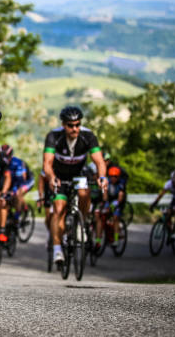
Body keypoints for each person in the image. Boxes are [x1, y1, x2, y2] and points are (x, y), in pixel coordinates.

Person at [42, 106, 107, 266]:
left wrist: (102, 177)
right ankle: (57, 249)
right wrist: (51, 177)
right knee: (58, 209)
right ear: (64, 125)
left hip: (79, 174)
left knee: (84, 193)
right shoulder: (53, 136)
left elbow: (99, 161)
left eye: (77, 125)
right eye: (71, 125)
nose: (75, 129)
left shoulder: (88, 136)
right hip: (60, 176)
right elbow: (47, 163)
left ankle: (81, 224)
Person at [150, 169, 175, 241]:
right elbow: (161, 195)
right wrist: (154, 203)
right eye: (173, 180)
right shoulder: (168, 183)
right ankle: (170, 231)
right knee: (168, 213)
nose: (174, 182)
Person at [94, 165, 127, 249]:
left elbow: (120, 196)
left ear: (118, 177)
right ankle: (98, 240)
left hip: (117, 201)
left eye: (115, 177)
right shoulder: (107, 182)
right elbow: (105, 195)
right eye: (111, 176)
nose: (113, 178)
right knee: (100, 216)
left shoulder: (121, 184)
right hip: (108, 200)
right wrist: (104, 205)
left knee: (115, 217)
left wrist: (114, 205)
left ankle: (116, 239)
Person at [2, 144, 34, 220]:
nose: (4, 159)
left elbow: (21, 180)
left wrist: (13, 190)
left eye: (6, 157)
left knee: (18, 193)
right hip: (13, 181)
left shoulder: (17, 163)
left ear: (10, 155)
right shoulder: (1, 163)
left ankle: (18, 214)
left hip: (26, 181)